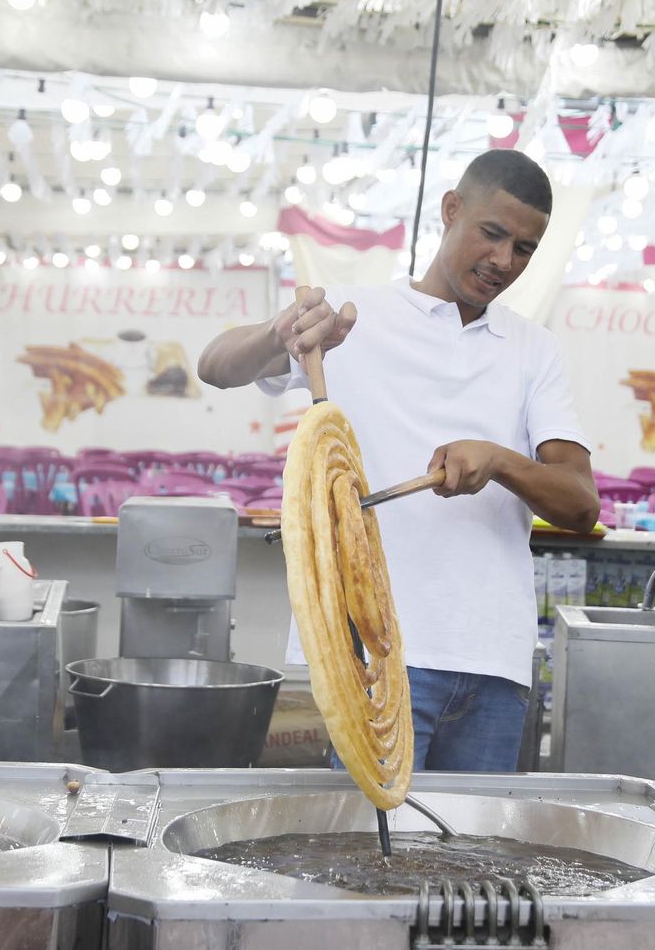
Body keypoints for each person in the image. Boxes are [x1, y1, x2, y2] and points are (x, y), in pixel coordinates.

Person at [198, 149, 600, 773]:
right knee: (350, 859)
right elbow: (216, 366)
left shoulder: (534, 351)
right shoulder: (352, 319)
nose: (503, 261)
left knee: (468, 863)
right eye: (492, 234)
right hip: (359, 655)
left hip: (492, 666)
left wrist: (499, 461)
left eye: (524, 248)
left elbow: (580, 503)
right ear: (450, 210)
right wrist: (282, 334)